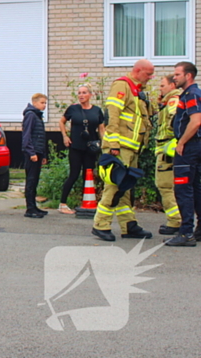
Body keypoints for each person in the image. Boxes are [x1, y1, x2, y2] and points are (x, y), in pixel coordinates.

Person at [92, 59, 155, 242]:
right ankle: (100, 224)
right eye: (148, 74)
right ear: (137, 70)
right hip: (119, 149)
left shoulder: (137, 92)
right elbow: (113, 115)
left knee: (125, 188)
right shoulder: (122, 85)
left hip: (131, 148)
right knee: (113, 186)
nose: (151, 78)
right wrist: (113, 145)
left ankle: (129, 225)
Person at [166, 61, 201, 246]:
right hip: (195, 147)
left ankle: (186, 233)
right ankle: (198, 230)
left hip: (189, 148)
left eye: (178, 74)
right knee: (195, 188)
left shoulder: (191, 94)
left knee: (183, 189)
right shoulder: (191, 94)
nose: (174, 77)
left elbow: (196, 121)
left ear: (188, 76)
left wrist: (181, 142)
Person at [58, 84, 105, 214]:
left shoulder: (97, 110)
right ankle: (62, 203)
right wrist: (64, 136)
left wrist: (104, 144)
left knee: (88, 175)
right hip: (76, 147)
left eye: (84, 92)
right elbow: (61, 122)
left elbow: (101, 129)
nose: (81, 95)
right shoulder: (73, 109)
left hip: (91, 148)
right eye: (79, 93)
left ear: (90, 95)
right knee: (74, 174)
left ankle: (86, 202)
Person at [155, 74, 182, 235]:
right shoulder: (168, 101)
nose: (160, 88)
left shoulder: (173, 100)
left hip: (167, 150)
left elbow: (175, 118)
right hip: (169, 149)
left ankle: (174, 221)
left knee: (165, 186)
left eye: (163, 86)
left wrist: (173, 140)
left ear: (172, 86)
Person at [22, 93, 49, 218]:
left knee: (35, 180)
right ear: (35, 102)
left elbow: (40, 137)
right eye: (42, 103)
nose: (44, 105)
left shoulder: (38, 116)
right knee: (31, 180)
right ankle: (30, 208)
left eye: (45, 103)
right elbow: (27, 136)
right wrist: (31, 152)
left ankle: (34, 206)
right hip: (32, 153)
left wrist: (43, 154)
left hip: (38, 152)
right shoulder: (31, 115)